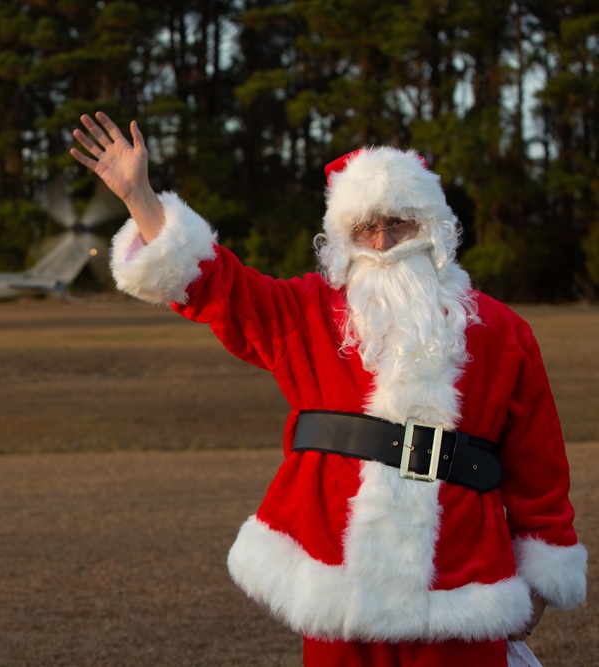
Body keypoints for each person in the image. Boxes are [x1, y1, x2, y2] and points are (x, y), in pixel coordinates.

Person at [70, 112, 587, 666]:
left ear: (432, 227)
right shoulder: (308, 312)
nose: (383, 241)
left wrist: (540, 575)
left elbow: (539, 468)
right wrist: (140, 197)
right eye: (365, 228)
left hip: (461, 580)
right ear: (342, 238)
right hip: (338, 573)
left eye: (398, 222)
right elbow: (217, 286)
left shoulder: (504, 332)